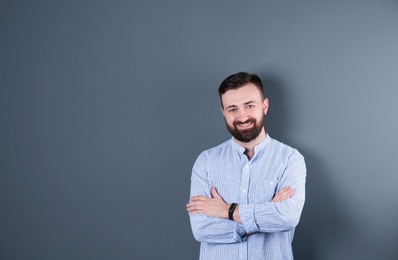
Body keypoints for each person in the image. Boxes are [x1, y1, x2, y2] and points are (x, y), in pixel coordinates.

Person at [186, 72, 306, 260]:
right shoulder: (206, 162)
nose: (242, 117)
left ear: (264, 106)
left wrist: (227, 211)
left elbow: (287, 217)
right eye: (232, 109)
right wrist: (268, 210)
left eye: (249, 106)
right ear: (223, 112)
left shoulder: (290, 159)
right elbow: (201, 229)